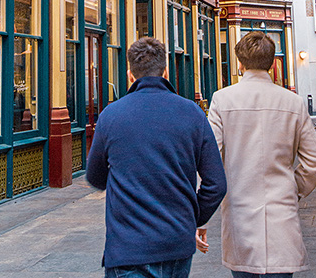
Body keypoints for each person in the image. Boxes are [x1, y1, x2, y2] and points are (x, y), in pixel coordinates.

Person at [86, 36, 227, 278]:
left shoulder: (111, 116)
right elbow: (216, 184)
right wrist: (190, 219)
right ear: (166, 71)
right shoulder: (192, 114)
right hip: (176, 243)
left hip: (128, 245)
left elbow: (96, 176)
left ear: (130, 74)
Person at [207, 31, 316, 278]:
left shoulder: (222, 100)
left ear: (240, 63)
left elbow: (210, 155)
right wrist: (295, 187)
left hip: (239, 211)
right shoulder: (292, 102)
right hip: (281, 210)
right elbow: (315, 159)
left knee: (243, 269)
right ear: (272, 63)